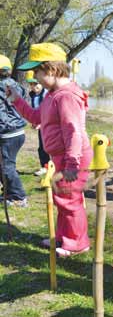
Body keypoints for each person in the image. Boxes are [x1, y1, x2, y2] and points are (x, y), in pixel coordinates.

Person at [7, 43, 92, 257]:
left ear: (51, 69)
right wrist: (17, 101)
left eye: (37, 71)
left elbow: (73, 132)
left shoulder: (65, 96)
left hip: (73, 157)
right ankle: (64, 236)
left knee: (69, 199)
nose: (34, 76)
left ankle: (78, 242)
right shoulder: (52, 95)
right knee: (61, 198)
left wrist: (72, 164)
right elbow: (37, 118)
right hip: (61, 157)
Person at [0, 54, 28, 208]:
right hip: (17, 132)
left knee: (7, 166)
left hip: (8, 133)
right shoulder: (16, 85)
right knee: (4, 165)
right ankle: (9, 192)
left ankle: (19, 197)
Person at [26, 70, 50, 176]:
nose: (33, 86)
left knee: (49, 146)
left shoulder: (46, 95)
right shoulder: (33, 95)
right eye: (31, 84)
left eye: (36, 84)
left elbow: (49, 112)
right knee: (42, 146)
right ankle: (45, 166)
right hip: (40, 125)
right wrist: (34, 121)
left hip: (49, 125)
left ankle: (53, 166)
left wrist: (42, 123)